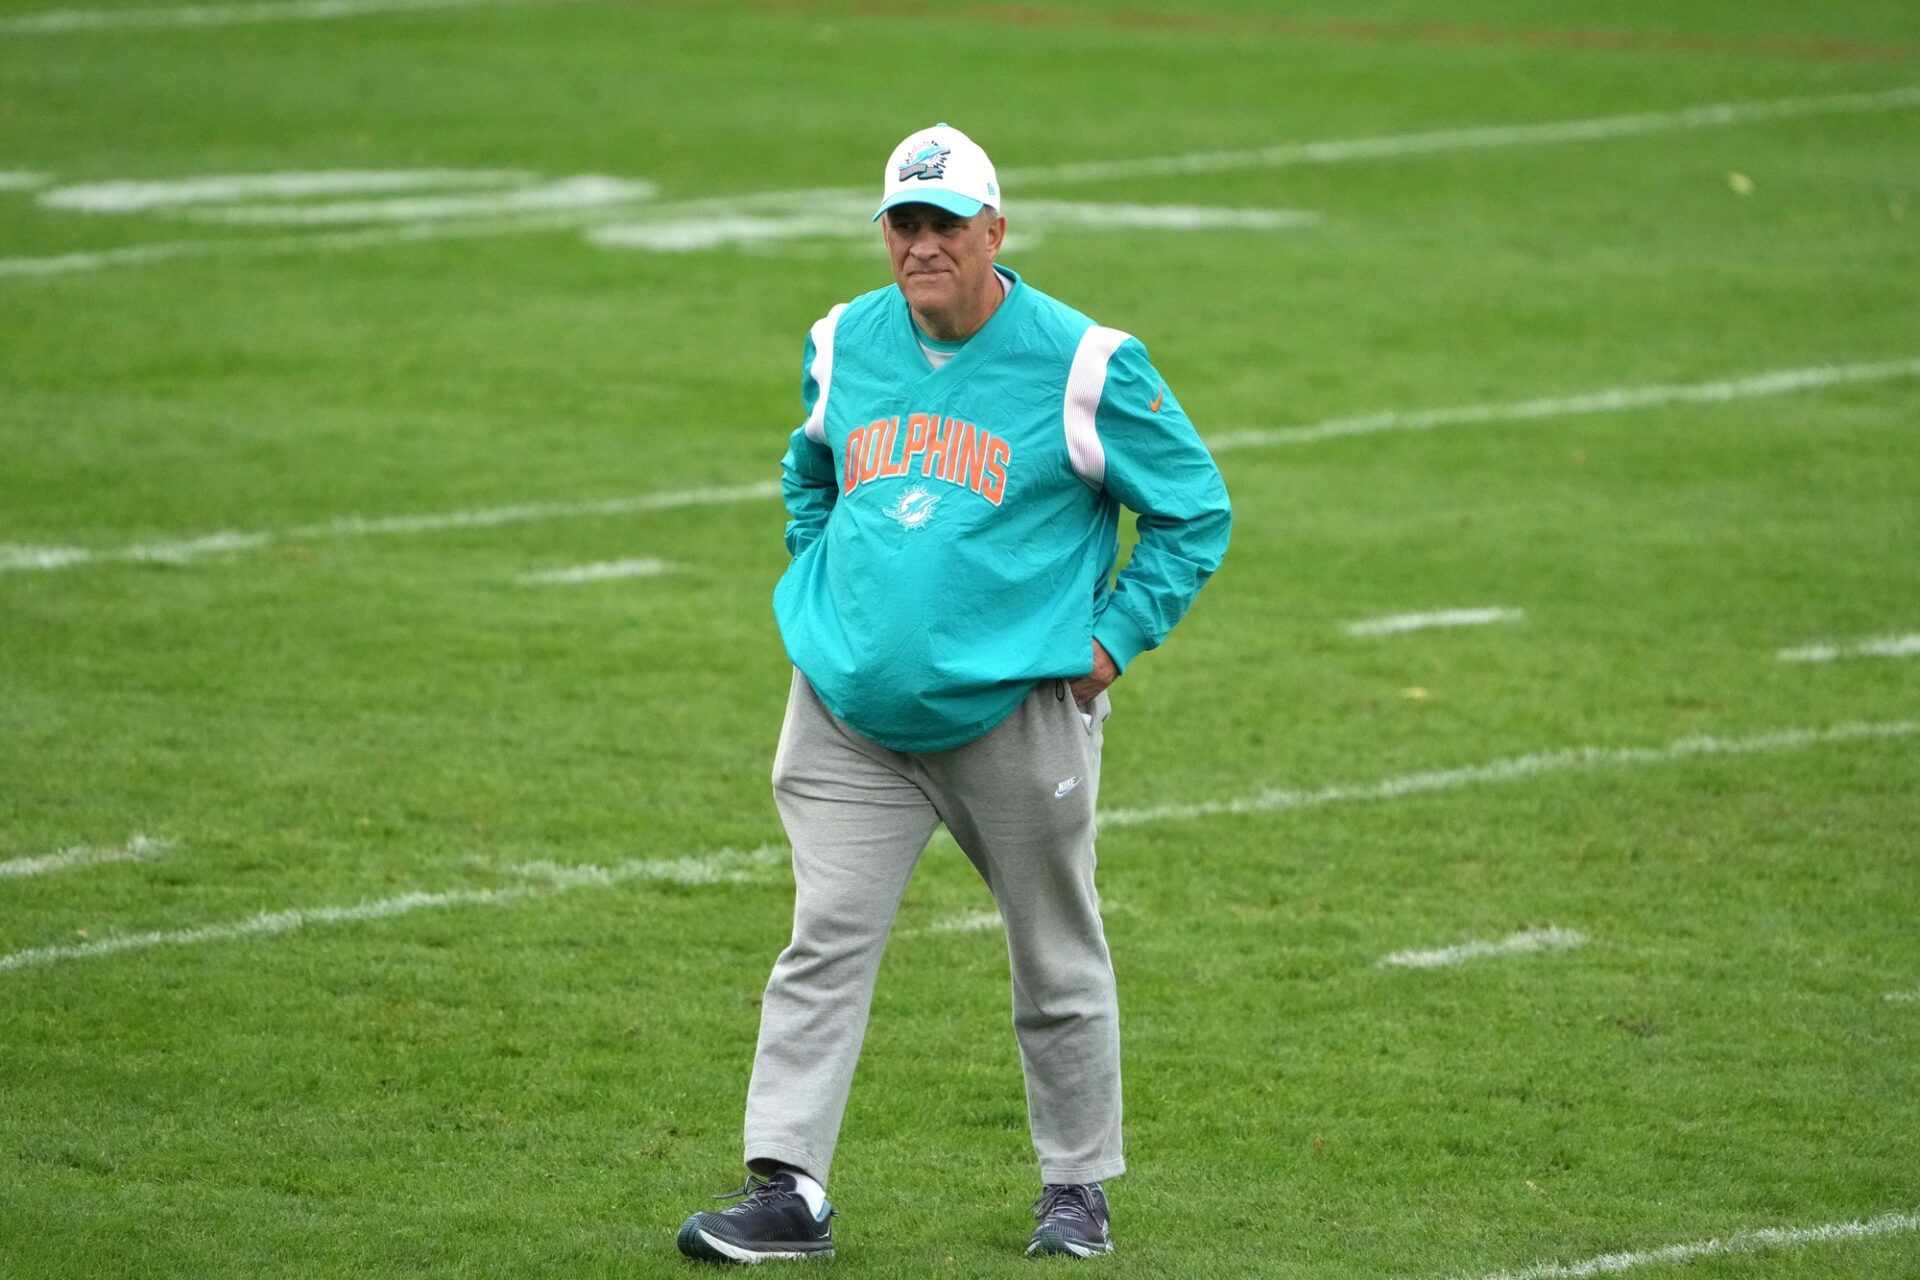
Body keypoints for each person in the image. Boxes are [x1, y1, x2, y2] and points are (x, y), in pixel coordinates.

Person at [676, 123, 1231, 1264]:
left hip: (1014, 710)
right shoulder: (841, 340)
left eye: (943, 225)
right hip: (845, 710)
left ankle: (1075, 1186)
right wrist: (818, 577)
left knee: (1053, 948)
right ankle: (787, 1183)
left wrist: (1115, 637)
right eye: (903, 224)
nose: (921, 245)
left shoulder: (1085, 362)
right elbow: (811, 465)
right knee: (821, 940)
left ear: (994, 229)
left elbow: (1193, 506)